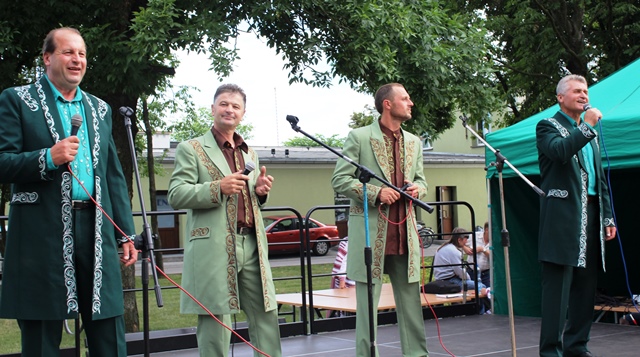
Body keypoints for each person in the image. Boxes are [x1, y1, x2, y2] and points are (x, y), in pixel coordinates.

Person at [0, 27, 138, 356]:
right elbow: (3, 161)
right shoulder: (16, 100)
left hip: (96, 230)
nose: (77, 60)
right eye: (68, 52)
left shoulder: (101, 109)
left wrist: (125, 233)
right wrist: (48, 157)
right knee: (41, 330)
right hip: (40, 233)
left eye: (82, 54)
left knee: (108, 328)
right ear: (47, 58)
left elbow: (112, 176)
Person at [168, 83, 281, 357]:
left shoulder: (249, 153)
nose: (229, 109)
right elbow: (176, 194)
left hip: (252, 244)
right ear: (212, 108)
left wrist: (259, 192)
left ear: (243, 113)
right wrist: (217, 187)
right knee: (216, 318)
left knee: (266, 313)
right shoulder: (191, 148)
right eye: (224, 104)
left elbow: (246, 198)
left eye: (235, 106)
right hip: (213, 244)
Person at [332, 83, 429, 356]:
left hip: (404, 236)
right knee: (367, 308)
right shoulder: (359, 137)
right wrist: (375, 193)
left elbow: (422, 180)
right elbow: (340, 179)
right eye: (405, 98)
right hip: (370, 235)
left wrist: (417, 189)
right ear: (387, 104)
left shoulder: (414, 142)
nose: (411, 103)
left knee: (411, 306)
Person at [536, 74, 617, 357]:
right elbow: (559, 152)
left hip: (592, 214)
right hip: (562, 218)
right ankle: (550, 351)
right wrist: (588, 128)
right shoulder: (548, 126)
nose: (584, 95)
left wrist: (608, 217)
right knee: (557, 291)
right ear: (560, 97)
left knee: (585, 287)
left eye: (586, 91)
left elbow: (600, 179)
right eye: (577, 91)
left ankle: (577, 346)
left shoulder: (589, 133)